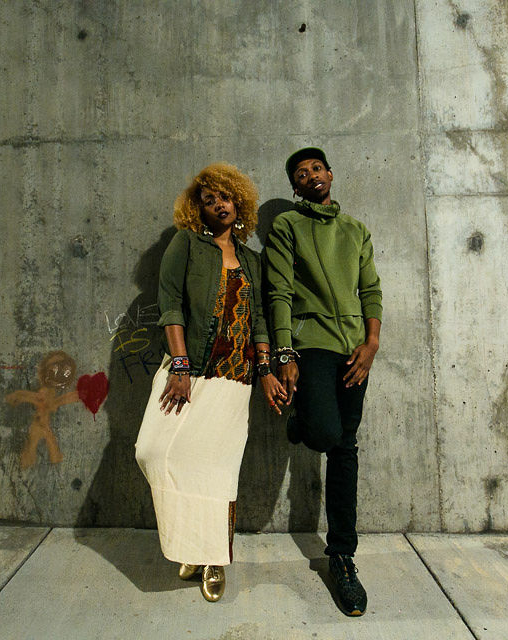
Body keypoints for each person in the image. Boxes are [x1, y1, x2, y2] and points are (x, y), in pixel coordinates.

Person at [135, 163, 285, 602]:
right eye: (208, 199)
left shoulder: (252, 261)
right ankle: (190, 544)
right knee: (154, 450)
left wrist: (266, 371)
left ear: (239, 203)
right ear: (196, 208)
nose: (218, 204)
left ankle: (213, 558)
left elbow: (259, 320)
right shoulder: (187, 245)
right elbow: (171, 304)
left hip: (235, 379)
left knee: (216, 472)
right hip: (191, 370)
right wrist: (179, 367)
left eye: (225, 197)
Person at [264, 147, 382, 616]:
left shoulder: (356, 230)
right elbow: (280, 292)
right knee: (325, 433)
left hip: (354, 347)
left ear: (330, 175)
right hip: (310, 342)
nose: (310, 175)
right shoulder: (287, 228)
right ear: (295, 188)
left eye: (316, 168)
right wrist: (284, 353)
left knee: (345, 448)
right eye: (300, 173)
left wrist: (371, 344)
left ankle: (342, 558)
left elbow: (370, 288)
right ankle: (303, 422)